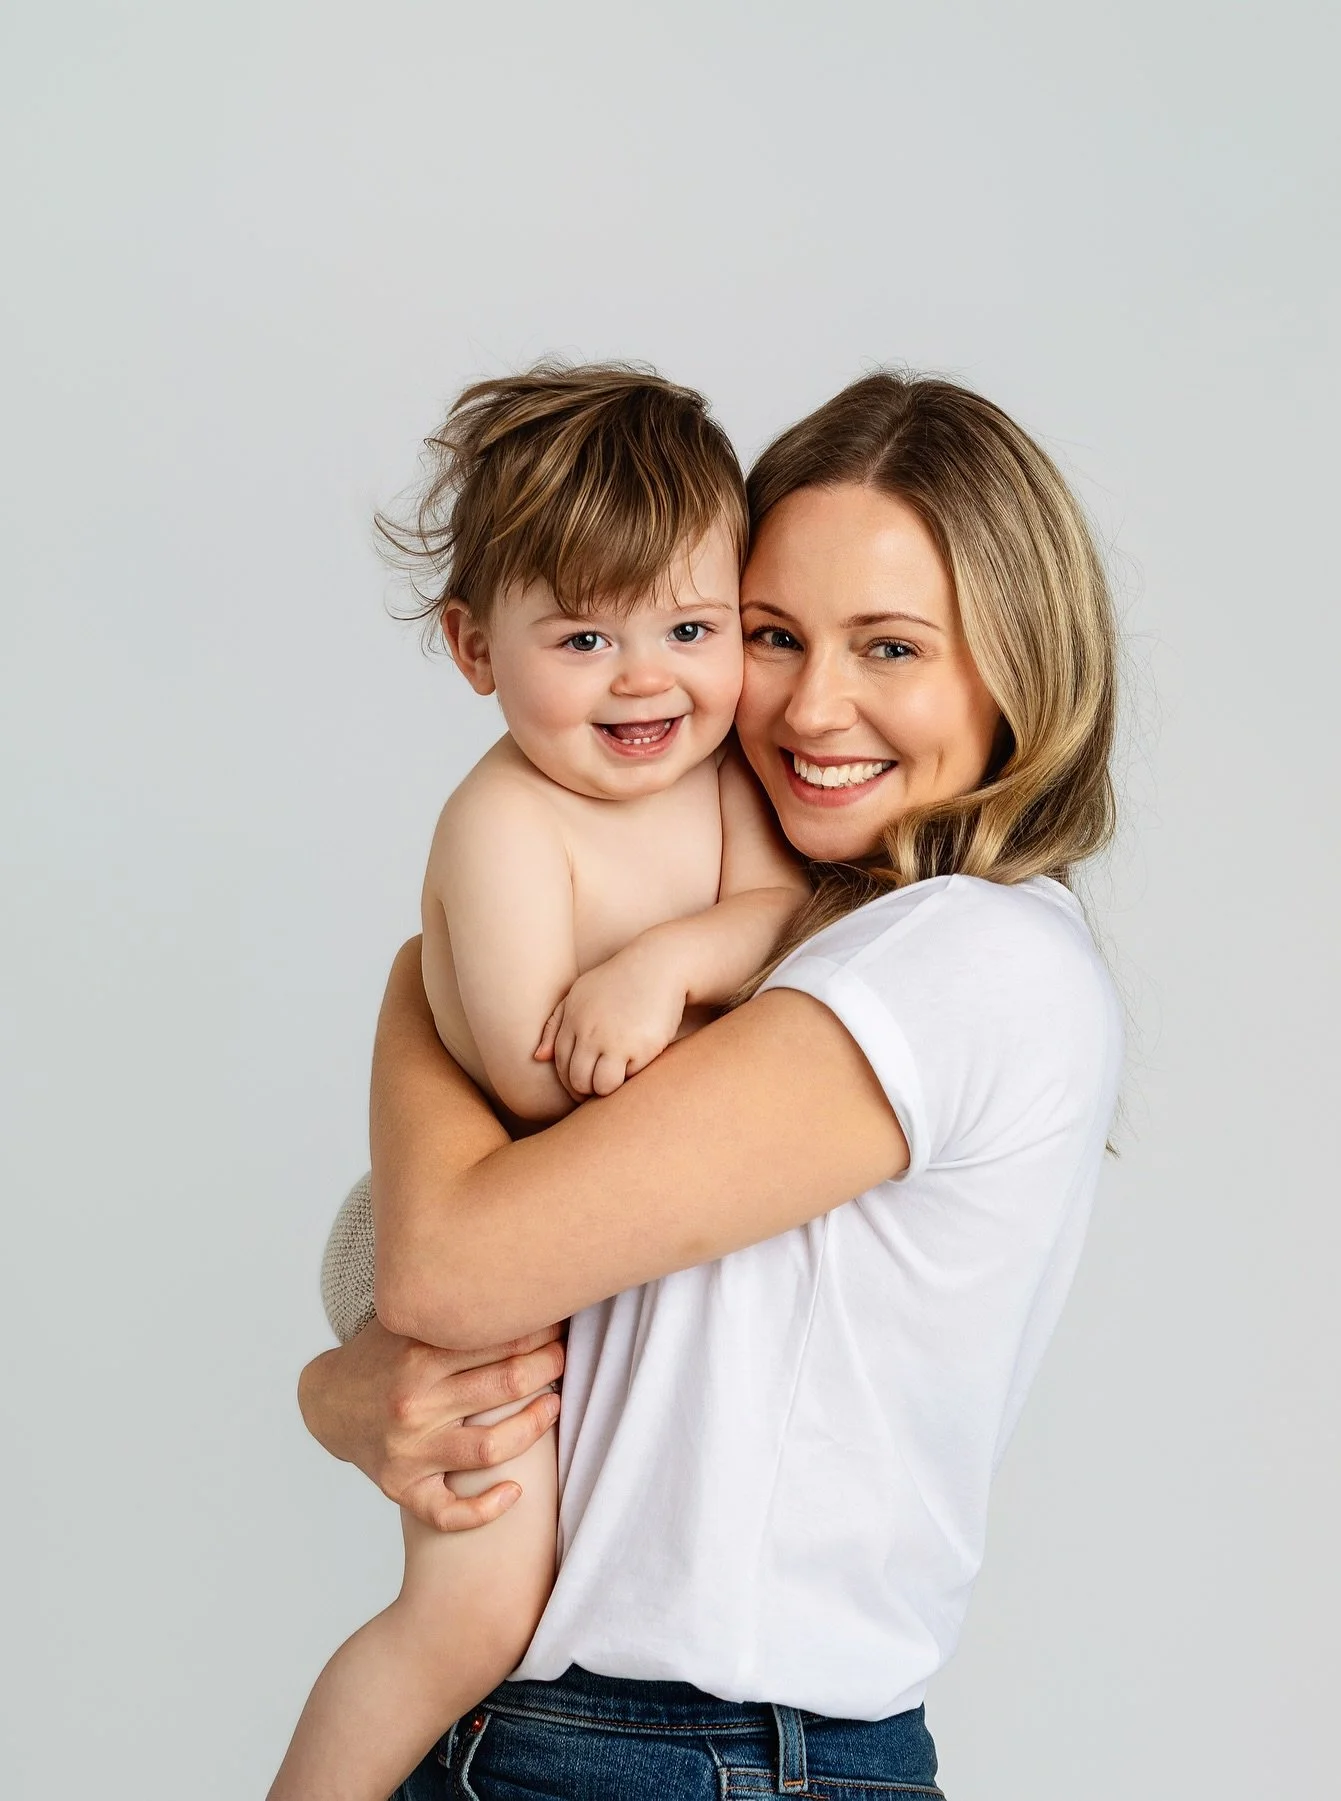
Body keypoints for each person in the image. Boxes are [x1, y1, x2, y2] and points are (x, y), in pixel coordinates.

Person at [298, 369, 1124, 1799]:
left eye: (890, 648)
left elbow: (455, 1265)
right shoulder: (813, 925)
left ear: (1016, 663)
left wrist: (408, 991)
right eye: (771, 635)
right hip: (570, 1729)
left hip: (704, 1754)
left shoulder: (970, 959)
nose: (814, 705)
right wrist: (338, 1394)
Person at [269, 367, 807, 1801]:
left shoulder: (729, 776)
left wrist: (666, 961)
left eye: (692, 630)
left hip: (558, 1226)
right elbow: (532, 1074)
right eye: (584, 635)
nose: (648, 678)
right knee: (473, 1616)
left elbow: (782, 920)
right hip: (445, 1220)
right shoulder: (504, 824)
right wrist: (692, 999)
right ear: (473, 649)